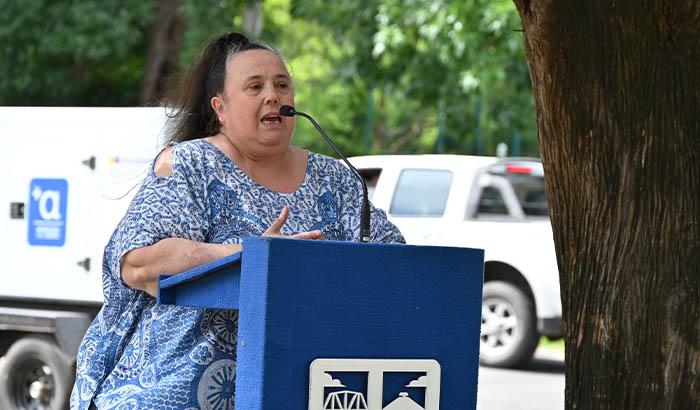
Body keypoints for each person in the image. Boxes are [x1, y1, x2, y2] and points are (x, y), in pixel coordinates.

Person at [70, 32, 404, 409]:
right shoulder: (189, 164)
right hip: (173, 389)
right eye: (255, 86)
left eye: (282, 85)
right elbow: (137, 263)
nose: (273, 96)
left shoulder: (339, 179)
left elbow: (397, 263)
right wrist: (256, 255)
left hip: (302, 389)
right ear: (220, 109)